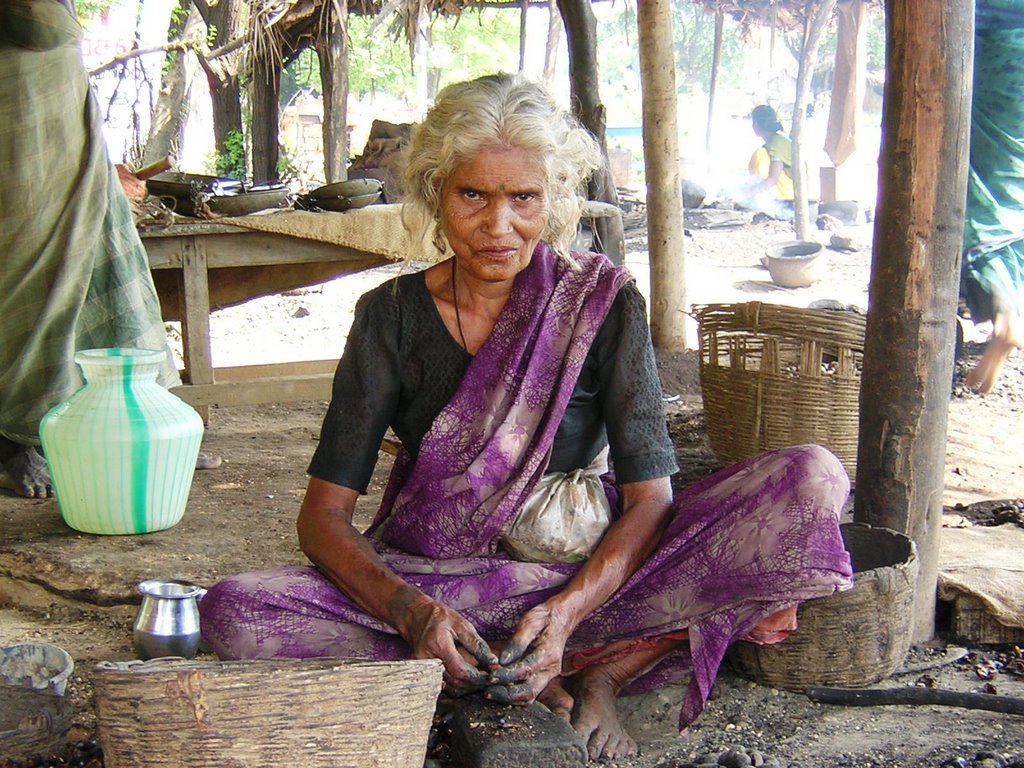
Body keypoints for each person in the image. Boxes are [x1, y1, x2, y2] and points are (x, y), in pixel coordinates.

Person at [199, 73, 853, 761]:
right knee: (235, 610)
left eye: (524, 198)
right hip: (448, 576)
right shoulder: (389, 318)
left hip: (595, 575)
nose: (497, 225)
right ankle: (514, 657)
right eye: (472, 194)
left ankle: (594, 664)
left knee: (813, 479)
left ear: (556, 200)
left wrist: (567, 612)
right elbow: (322, 518)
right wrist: (410, 611)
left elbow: (651, 498)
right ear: (434, 192)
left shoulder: (600, 303)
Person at [0, 0, 216, 499]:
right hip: (17, 139)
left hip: (68, 134)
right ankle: (15, 440)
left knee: (109, 276)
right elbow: (41, 25)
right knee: (32, 291)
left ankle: (142, 427)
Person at [960, 0, 1024, 393]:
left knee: (981, 192)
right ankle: (1010, 308)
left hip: (992, 34)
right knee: (1011, 169)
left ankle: (1005, 320)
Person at [742, 104, 796, 218]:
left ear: (755, 124)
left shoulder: (776, 144)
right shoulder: (779, 139)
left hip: (794, 203)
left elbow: (772, 180)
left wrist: (745, 195)